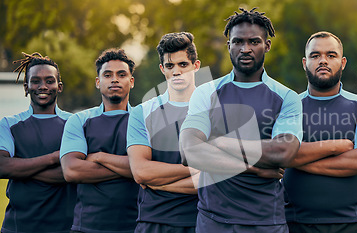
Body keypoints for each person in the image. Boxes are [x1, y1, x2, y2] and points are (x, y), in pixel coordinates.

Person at [179, 7, 303, 233]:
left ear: (267, 45)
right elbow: (189, 152)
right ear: (229, 46)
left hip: (267, 223)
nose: (245, 49)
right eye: (238, 42)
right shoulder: (206, 92)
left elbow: (283, 153)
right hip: (213, 222)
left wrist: (219, 142)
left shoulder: (287, 97)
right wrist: (254, 168)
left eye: (254, 41)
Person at [282, 31, 357, 233]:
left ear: (343, 62)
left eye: (331, 55)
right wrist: (336, 146)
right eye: (315, 55)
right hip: (295, 223)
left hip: (351, 224)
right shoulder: (289, 106)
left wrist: (300, 159)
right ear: (304, 62)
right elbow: (282, 153)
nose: (323, 61)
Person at [127, 32, 200, 233]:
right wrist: (195, 168)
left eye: (183, 64)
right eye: (170, 66)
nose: (176, 71)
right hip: (153, 221)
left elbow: (214, 180)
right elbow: (141, 172)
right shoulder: (142, 112)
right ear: (162, 69)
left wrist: (159, 184)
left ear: (196, 66)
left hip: (202, 220)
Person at [60, 48, 139, 233]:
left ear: (131, 81)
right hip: (87, 226)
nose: (114, 79)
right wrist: (133, 168)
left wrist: (100, 157)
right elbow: (71, 171)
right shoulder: (79, 120)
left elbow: (150, 167)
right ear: (98, 82)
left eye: (121, 74)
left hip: (136, 226)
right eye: (107, 74)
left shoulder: (145, 119)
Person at [0, 52, 76, 233]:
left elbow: (73, 172)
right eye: (36, 81)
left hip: (66, 227)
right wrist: (54, 158)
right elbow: (2, 167)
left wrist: (20, 168)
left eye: (49, 81)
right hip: (18, 226)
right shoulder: (9, 124)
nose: (43, 86)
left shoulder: (75, 123)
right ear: (26, 87)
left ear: (59, 86)